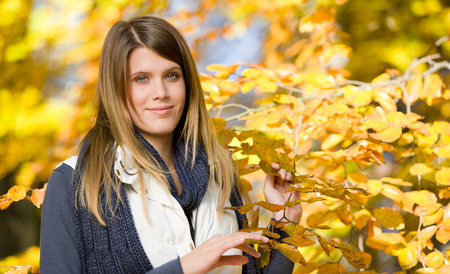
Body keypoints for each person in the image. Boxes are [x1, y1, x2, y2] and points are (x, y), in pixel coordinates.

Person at [40, 16, 302, 274]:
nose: (161, 92)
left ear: (187, 83)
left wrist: (284, 224)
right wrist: (184, 268)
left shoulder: (218, 171)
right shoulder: (73, 181)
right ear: (116, 88)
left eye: (171, 75)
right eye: (141, 78)